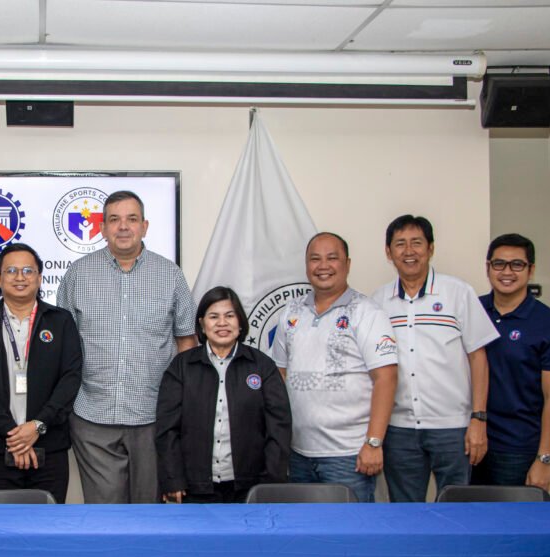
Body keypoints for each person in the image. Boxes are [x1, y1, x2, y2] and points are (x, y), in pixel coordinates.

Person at [56, 190, 197, 503]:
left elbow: (186, 341)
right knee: (105, 516)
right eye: (114, 220)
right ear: (102, 228)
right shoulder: (78, 275)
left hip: (153, 416)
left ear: (144, 226)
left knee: (150, 512)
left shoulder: (170, 275)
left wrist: (185, 405)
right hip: (92, 416)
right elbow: (63, 347)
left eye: (131, 219)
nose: (123, 227)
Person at [372, 215, 499, 502]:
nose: (408, 251)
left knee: (456, 511)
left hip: (452, 427)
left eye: (416, 243)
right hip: (399, 429)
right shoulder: (378, 301)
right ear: (388, 252)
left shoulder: (458, 293)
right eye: (400, 244)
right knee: (406, 511)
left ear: (430, 248)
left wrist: (478, 418)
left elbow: (478, 357)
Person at [271, 233, 398, 503]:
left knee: (350, 537)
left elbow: (386, 378)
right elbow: (279, 375)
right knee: (305, 533)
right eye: (315, 259)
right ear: (306, 265)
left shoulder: (367, 312)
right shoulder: (291, 313)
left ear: (348, 264)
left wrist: (374, 443)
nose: (323, 266)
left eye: (332, 258)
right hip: (299, 452)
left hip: (349, 456)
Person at [0, 243, 83, 503]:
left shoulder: (60, 321)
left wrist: (37, 427)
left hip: (50, 445)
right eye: (11, 270)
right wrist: (15, 436)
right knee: (2, 529)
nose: (20, 277)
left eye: (28, 270)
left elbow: (70, 378)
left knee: (48, 528)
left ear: (40, 278)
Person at [155, 286, 290, 503]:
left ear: (240, 322)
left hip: (250, 488)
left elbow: (279, 428)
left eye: (229, 316)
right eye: (213, 316)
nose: (222, 323)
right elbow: (167, 430)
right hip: (194, 488)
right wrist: (173, 479)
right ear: (202, 323)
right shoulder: (182, 367)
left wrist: (270, 484)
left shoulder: (262, 366)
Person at [474, 233, 550, 492]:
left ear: (531, 270)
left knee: (512, 528)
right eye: (499, 264)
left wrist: (544, 459)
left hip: (517, 449)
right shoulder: (472, 310)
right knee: (470, 526)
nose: (507, 272)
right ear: (488, 268)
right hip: (469, 442)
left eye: (517, 264)